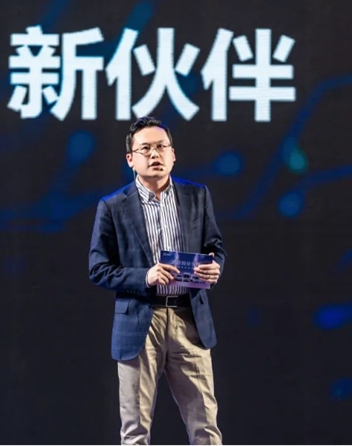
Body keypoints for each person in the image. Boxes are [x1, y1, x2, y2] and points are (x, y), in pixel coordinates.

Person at [88, 116, 226, 445]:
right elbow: (98, 268)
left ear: (173, 154)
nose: (155, 154)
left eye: (161, 146)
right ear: (130, 159)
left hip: (188, 318)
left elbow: (215, 247)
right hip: (139, 321)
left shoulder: (197, 196)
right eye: (145, 148)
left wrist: (215, 266)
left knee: (206, 427)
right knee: (135, 431)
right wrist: (145, 276)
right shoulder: (112, 206)